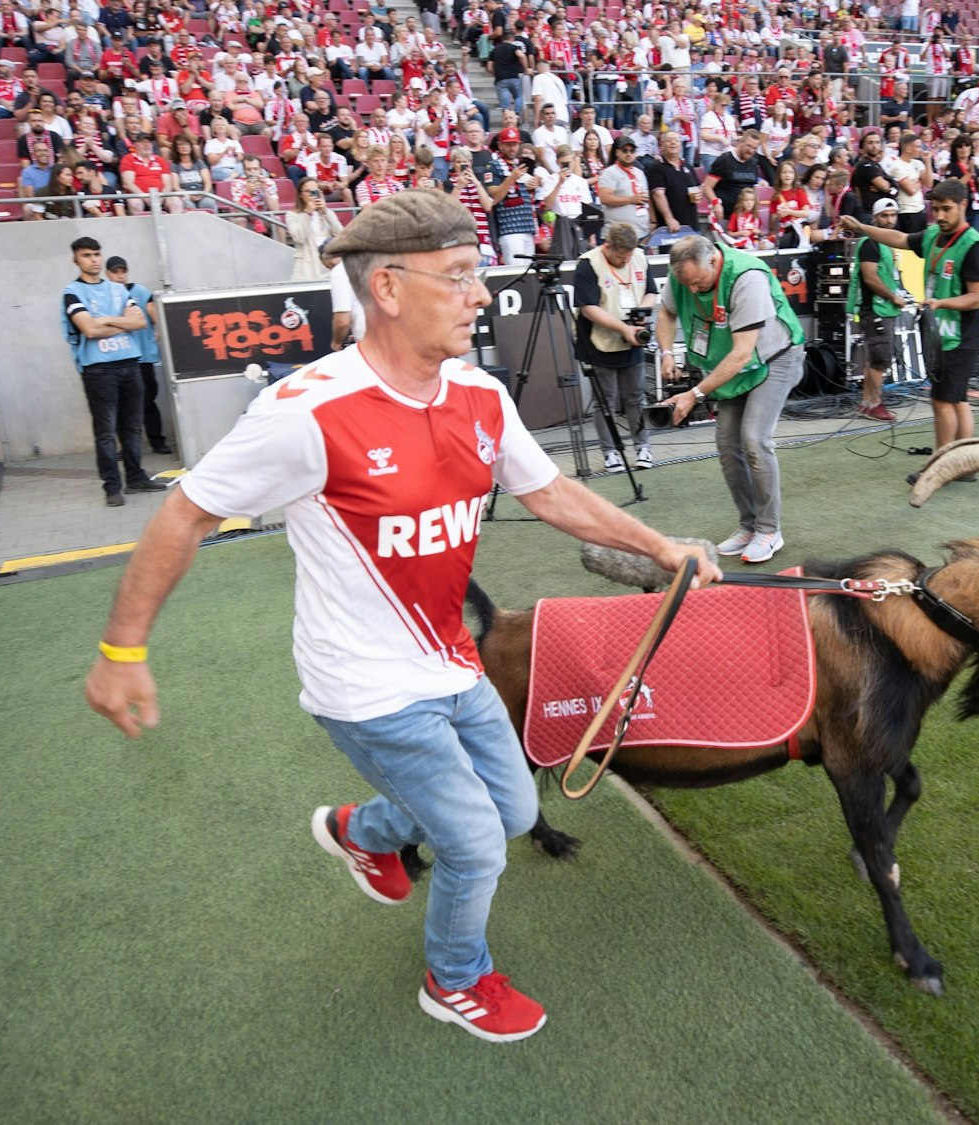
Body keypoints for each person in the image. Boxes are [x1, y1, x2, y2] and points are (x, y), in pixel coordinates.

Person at [83, 190, 719, 1044]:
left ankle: (359, 829)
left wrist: (661, 546)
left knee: (519, 813)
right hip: (366, 687)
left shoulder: (480, 395)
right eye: (458, 277)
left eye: (478, 274)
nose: (481, 295)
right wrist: (121, 648)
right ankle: (454, 980)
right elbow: (184, 514)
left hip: (451, 662)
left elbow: (553, 492)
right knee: (476, 843)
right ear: (386, 287)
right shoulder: (307, 411)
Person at [652, 235, 805, 565]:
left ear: (713, 261)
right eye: (686, 283)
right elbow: (666, 313)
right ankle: (748, 526)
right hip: (733, 367)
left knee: (754, 439)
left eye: (699, 282)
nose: (693, 290)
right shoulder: (683, 275)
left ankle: (769, 530)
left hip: (774, 357)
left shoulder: (747, 277)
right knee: (726, 444)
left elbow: (741, 354)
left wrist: (693, 395)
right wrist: (666, 353)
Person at [843, 179, 979, 483]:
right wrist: (862, 228)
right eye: (935, 209)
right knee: (957, 398)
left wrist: (939, 303)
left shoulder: (975, 246)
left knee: (942, 399)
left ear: (963, 205)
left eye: (946, 209)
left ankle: (940, 467)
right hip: (943, 334)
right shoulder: (935, 235)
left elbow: (976, 297)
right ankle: (966, 464)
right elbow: (897, 237)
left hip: (962, 335)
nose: (940, 215)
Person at [60, 236, 168, 507]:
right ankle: (112, 486)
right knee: (106, 432)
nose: (94, 260)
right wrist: (121, 323)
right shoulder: (72, 291)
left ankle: (136, 478)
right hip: (98, 370)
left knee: (132, 427)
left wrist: (105, 319)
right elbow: (89, 329)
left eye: (97, 254)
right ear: (76, 259)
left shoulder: (119, 290)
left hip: (130, 364)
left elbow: (141, 321)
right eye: (87, 255)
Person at [573, 223, 655, 471]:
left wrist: (642, 311)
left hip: (633, 339)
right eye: (621, 256)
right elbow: (588, 308)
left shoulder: (638, 258)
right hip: (600, 341)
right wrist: (622, 329)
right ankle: (610, 452)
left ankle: (643, 447)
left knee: (636, 397)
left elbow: (651, 291)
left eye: (629, 254)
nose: (626, 260)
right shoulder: (588, 264)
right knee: (604, 400)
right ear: (607, 247)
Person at [846, 199, 907, 422]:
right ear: (875, 218)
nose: (890, 220)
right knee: (880, 359)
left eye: (893, 215)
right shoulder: (871, 243)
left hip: (881, 308)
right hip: (876, 309)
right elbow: (870, 278)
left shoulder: (883, 243)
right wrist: (893, 297)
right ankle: (874, 404)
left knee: (875, 359)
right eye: (885, 216)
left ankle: (866, 403)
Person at [107, 257, 174, 456]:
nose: (119, 276)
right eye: (115, 272)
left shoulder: (140, 292)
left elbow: (154, 313)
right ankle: (126, 448)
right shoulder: (106, 295)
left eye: (122, 271)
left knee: (147, 401)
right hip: (118, 357)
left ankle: (157, 441)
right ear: (108, 274)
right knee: (120, 405)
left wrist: (160, 329)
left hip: (142, 357)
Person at [286, 178, 347, 280]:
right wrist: (308, 213)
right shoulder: (292, 215)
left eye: (315, 191)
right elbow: (299, 238)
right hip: (307, 265)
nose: (311, 194)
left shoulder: (327, 212)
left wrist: (325, 212)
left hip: (327, 262)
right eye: (308, 191)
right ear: (300, 195)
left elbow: (341, 234)